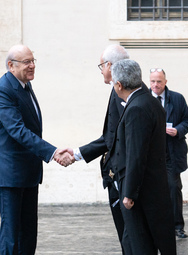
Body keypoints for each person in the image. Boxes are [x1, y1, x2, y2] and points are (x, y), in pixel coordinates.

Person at [0, 45, 73, 254]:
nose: (32, 65)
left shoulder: (24, 85)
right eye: (26, 62)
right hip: (11, 176)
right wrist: (52, 152)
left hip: (29, 174)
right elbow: (17, 130)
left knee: (28, 235)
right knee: (11, 237)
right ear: (11, 66)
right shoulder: (4, 89)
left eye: (33, 61)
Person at [69, 45, 133, 254]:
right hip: (120, 174)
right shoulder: (122, 91)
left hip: (122, 175)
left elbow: (110, 138)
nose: (101, 71)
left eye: (101, 66)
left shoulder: (122, 94)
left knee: (128, 233)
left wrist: (77, 153)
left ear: (110, 66)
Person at [110, 59, 176, 255]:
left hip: (140, 193)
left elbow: (136, 155)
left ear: (119, 85)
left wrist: (129, 193)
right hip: (152, 187)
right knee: (132, 242)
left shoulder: (137, 108)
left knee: (140, 245)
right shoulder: (150, 101)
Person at [149, 68, 188, 238]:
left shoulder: (177, 98)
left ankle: (177, 226)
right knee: (151, 190)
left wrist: (178, 130)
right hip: (150, 153)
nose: (156, 85)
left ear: (165, 82)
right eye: (153, 81)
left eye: (159, 81)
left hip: (171, 152)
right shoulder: (144, 99)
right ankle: (154, 227)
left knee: (173, 188)